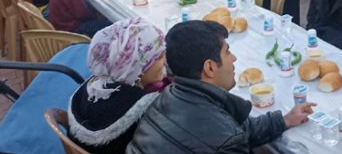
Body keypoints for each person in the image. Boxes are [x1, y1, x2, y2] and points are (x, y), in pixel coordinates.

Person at [127, 20, 315, 153]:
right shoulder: (225, 142)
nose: (234, 59)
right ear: (210, 67)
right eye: (228, 52)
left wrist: (285, 120)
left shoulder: (168, 95)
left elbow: (235, 129)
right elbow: (226, 136)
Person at [69, 19, 168, 153]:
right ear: (137, 66)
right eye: (160, 56)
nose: (165, 61)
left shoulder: (93, 87)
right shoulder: (142, 109)